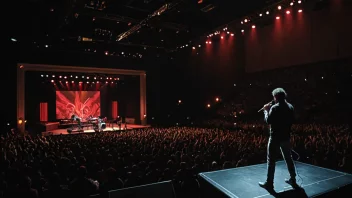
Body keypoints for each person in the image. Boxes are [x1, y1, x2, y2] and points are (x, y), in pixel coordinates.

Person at [259, 88, 299, 190]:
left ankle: (269, 183)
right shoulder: (290, 107)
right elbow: (293, 120)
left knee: (271, 160)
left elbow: (268, 121)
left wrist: (266, 111)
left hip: (275, 137)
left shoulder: (275, 108)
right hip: (286, 137)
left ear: (276, 97)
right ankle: (293, 179)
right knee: (288, 158)